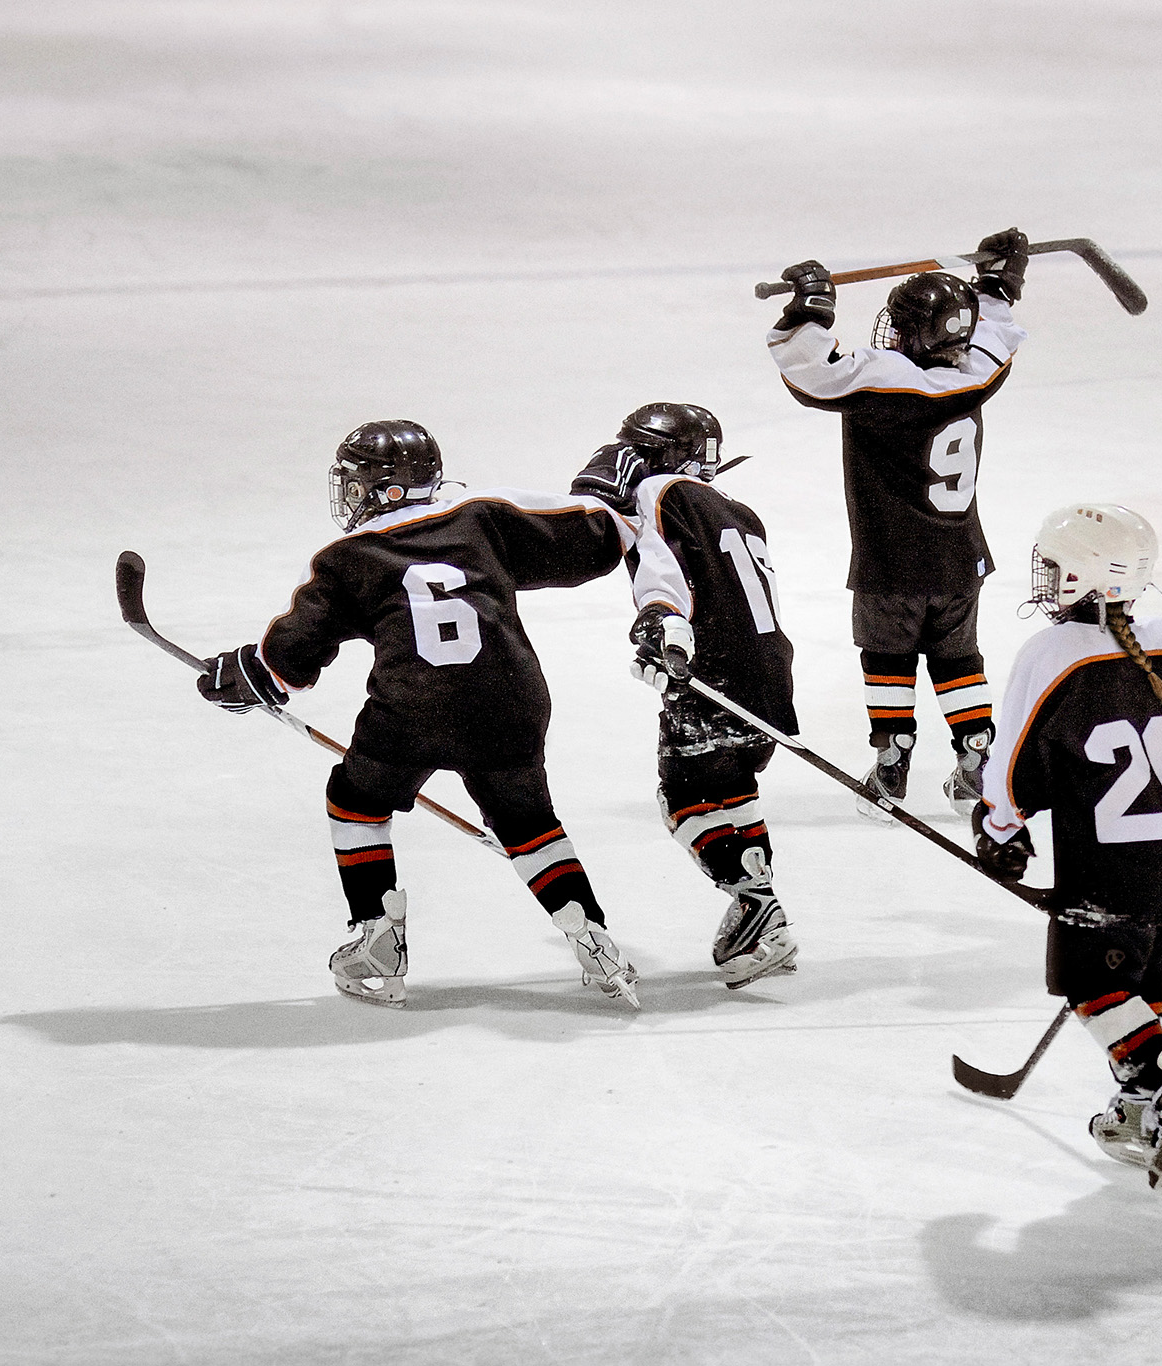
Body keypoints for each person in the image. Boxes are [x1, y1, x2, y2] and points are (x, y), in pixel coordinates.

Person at [194, 419, 642, 1010]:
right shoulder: (481, 519)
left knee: (356, 801)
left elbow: (291, 657)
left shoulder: (346, 558)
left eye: (355, 484)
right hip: (511, 701)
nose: (349, 496)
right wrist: (616, 500)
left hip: (413, 709)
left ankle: (378, 938)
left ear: (381, 489)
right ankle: (595, 940)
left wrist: (249, 673)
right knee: (528, 821)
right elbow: (593, 542)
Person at [972, 504, 1162, 1201]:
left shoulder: (1053, 656)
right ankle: (1135, 1115)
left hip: (1104, 868)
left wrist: (999, 830)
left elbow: (1014, 768)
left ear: (1080, 577)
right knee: (1137, 983)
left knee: (1093, 987)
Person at [766, 229, 1030, 820]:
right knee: (959, 659)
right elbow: (996, 331)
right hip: (960, 558)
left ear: (913, 335)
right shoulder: (976, 372)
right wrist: (999, 284)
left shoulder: (883, 380)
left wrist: (812, 306)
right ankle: (976, 755)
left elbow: (814, 368)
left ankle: (892, 760)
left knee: (887, 657)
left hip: (891, 560)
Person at [570, 403, 800, 989]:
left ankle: (759, 909)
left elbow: (665, 572)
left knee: (684, 799)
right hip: (771, 676)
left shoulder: (658, 492)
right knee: (734, 788)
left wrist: (662, 628)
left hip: (711, 674)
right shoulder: (740, 512)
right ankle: (763, 914)